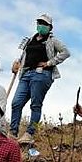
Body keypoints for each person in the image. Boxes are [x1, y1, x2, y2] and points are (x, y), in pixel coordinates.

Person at [9, 13, 70, 145]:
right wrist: (17, 63)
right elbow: (23, 56)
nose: (41, 26)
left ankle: (30, 133)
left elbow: (66, 52)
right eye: (39, 23)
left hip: (42, 74)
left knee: (35, 104)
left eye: (44, 24)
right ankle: (12, 133)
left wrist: (49, 63)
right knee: (16, 103)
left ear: (50, 27)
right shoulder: (30, 40)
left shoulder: (52, 41)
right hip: (26, 74)